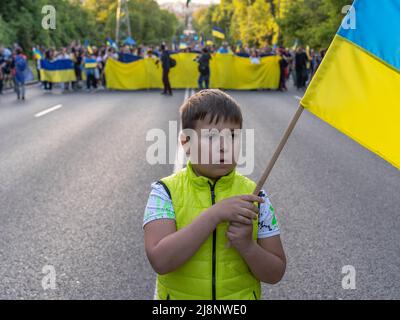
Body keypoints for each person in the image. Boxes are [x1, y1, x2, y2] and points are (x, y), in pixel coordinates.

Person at [143, 89, 286, 300]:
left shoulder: (256, 197)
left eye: (233, 136)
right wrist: (214, 215)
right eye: (211, 137)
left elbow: (275, 273)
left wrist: (248, 246)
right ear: (186, 144)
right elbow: (161, 261)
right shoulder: (164, 192)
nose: (224, 146)